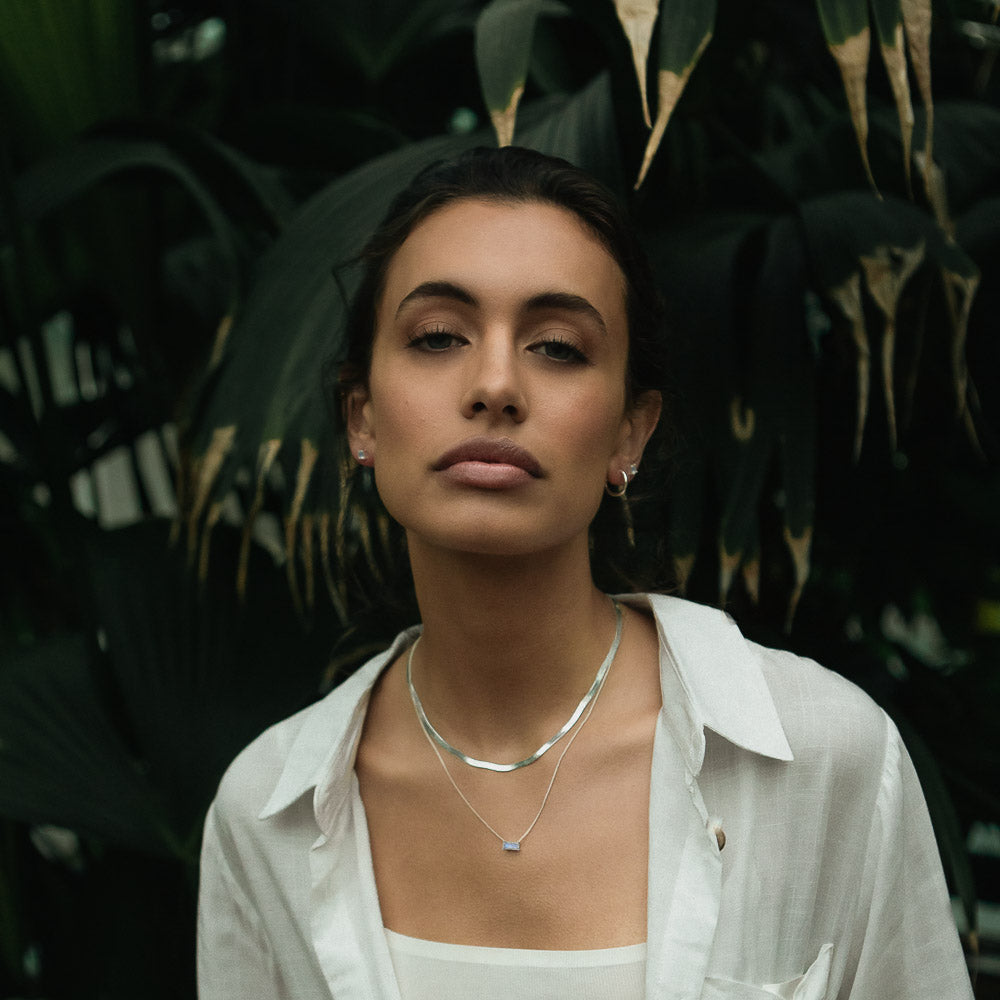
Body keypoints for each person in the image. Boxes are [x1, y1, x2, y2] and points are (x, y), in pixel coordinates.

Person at [197, 146, 974, 999]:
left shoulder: (823, 759)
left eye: (559, 348)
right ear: (362, 419)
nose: (495, 385)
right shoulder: (266, 812)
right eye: (438, 337)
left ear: (630, 435)